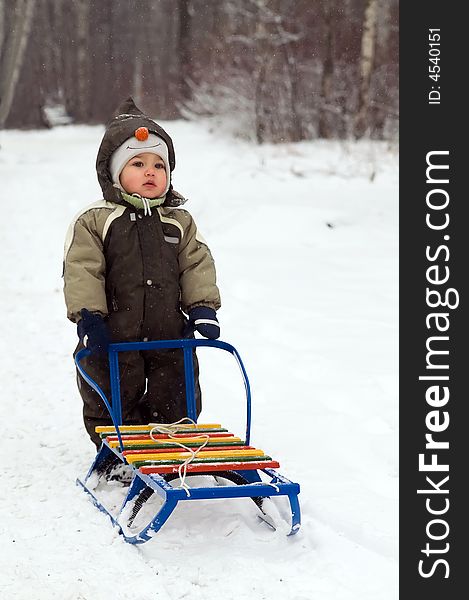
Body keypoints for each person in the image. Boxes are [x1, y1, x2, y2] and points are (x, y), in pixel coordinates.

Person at [63, 97, 221, 447]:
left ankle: (172, 441)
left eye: (159, 166)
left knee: (176, 390)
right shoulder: (96, 221)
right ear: (114, 173)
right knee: (112, 390)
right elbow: (83, 270)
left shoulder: (178, 221)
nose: (151, 172)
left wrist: (202, 308)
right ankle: (113, 448)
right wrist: (89, 318)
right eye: (138, 163)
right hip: (113, 334)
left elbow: (196, 263)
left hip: (169, 332)